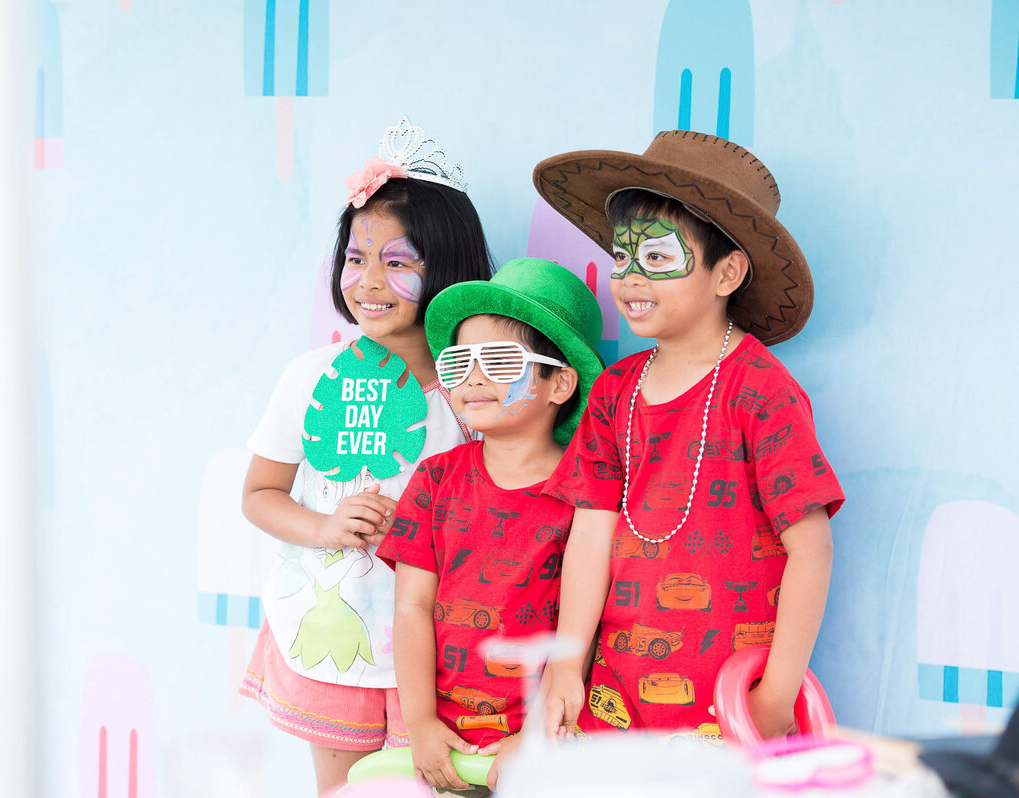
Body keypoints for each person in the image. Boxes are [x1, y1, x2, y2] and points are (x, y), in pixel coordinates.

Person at [533, 131, 845, 741]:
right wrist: (568, 663)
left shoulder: (760, 390)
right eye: (622, 259)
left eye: (656, 260)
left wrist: (777, 695)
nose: (629, 279)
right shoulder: (614, 392)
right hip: (616, 699)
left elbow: (812, 549)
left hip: (730, 704)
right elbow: (591, 534)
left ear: (726, 271)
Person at [239, 117, 493, 795]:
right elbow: (258, 493)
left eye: (398, 261)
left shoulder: (476, 395)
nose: (369, 280)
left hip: (442, 650)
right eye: (356, 257)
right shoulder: (310, 377)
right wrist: (325, 527)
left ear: (448, 267)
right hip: (335, 642)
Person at [378, 258, 605, 793]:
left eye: (500, 360)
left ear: (560, 383)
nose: (473, 378)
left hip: (546, 736)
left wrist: (538, 732)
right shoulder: (435, 480)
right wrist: (420, 723)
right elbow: (411, 607)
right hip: (441, 739)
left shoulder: (588, 495)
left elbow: (585, 625)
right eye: (458, 362)